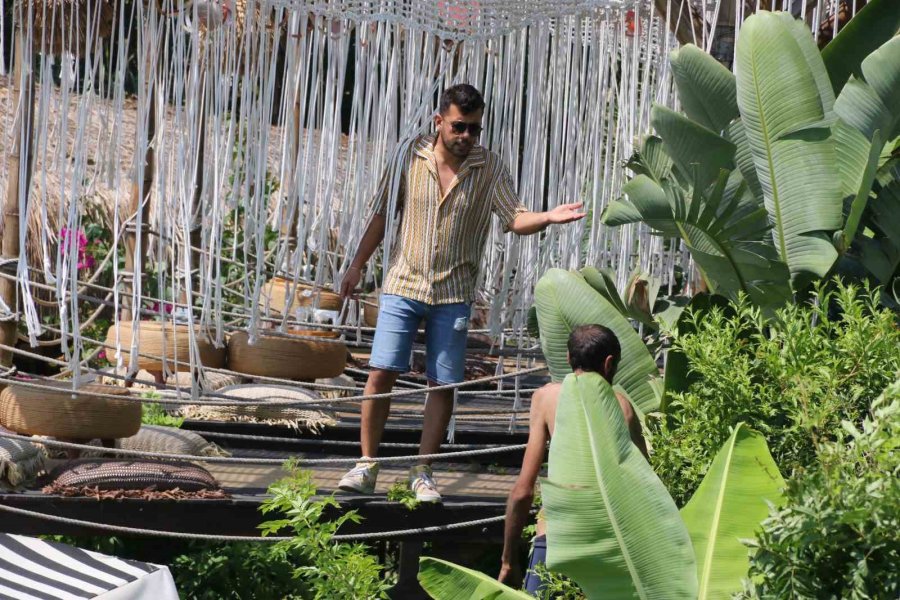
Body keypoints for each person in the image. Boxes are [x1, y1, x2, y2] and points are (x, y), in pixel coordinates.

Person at [337, 84, 586, 502]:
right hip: (403, 281)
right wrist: (358, 264)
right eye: (459, 127)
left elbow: (514, 216)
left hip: (454, 290)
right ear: (439, 121)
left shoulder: (488, 167)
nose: (467, 137)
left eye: (474, 129)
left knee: (443, 383)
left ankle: (423, 471)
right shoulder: (407, 156)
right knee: (381, 371)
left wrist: (546, 216)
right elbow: (382, 213)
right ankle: (366, 464)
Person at [498, 324, 649, 592]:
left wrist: (508, 560)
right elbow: (645, 488)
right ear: (609, 363)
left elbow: (522, 491)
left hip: (555, 540)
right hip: (607, 548)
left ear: (568, 358)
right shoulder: (623, 406)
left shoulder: (545, 398)